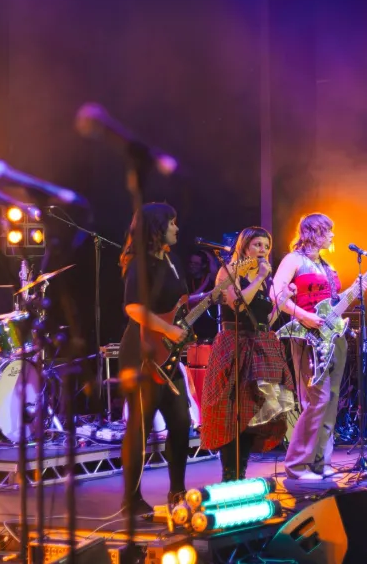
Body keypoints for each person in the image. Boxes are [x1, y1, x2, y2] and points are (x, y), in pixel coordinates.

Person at [200, 227, 295, 482]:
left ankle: (241, 474)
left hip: (261, 344)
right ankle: (230, 476)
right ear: (244, 247)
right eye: (257, 245)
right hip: (235, 344)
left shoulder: (265, 277)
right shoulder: (230, 271)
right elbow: (238, 305)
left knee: (255, 414)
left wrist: (282, 299)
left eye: (266, 245)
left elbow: (265, 318)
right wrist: (257, 279)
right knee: (233, 413)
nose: (263, 250)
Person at [118, 202, 192, 517]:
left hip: (167, 354)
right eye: (173, 223)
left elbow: (174, 306)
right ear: (158, 227)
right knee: (140, 426)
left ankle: (177, 493)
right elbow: (133, 307)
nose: (177, 229)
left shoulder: (171, 261)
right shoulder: (140, 264)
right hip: (141, 351)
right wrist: (168, 330)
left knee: (181, 422)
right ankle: (130, 501)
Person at [273, 214, 347, 480]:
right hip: (306, 337)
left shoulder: (327, 265)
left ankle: (321, 462)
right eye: (329, 231)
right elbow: (276, 295)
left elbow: (330, 302)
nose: (332, 236)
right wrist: (303, 316)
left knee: (332, 400)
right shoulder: (294, 260)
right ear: (314, 232)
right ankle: (297, 464)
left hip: (333, 337)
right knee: (317, 399)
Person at [186, 250, 219, 340]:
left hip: (208, 327)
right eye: (191, 263)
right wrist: (205, 283)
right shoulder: (186, 281)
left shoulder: (210, 281)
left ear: (203, 265)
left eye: (196, 263)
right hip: (192, 325)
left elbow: (215, 272)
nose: (192, 266)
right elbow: (189, 300)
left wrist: (208, 255)